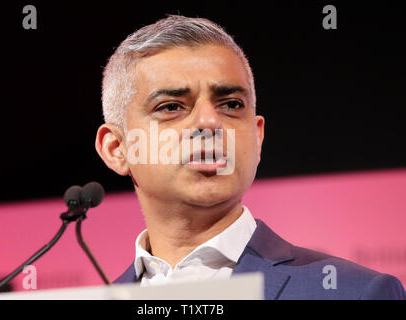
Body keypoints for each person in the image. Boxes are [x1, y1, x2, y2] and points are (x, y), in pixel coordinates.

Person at [95, 15, 405, 299]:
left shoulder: (356, 293)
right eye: (172, 106)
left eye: (231, 104)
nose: (209, 123)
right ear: (116, 148)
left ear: (256, 138)